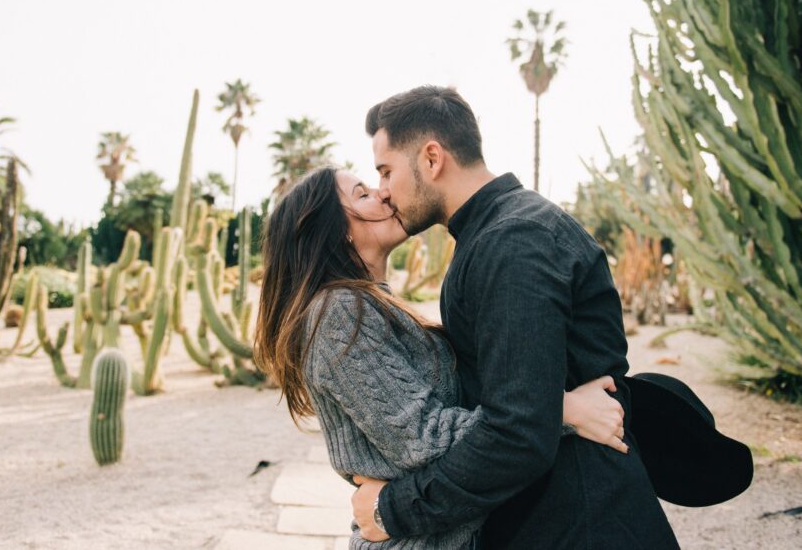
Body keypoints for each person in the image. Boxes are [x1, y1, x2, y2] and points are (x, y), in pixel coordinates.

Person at [349, 85, 678, 549]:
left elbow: (518, 432)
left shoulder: (512, 241)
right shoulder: (496, 233)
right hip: (555, 513)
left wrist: (395, 509)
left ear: (431, 158)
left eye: (385, 171)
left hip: (580, 523)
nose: (383, 191)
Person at [254, 165, 629, 550]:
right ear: (338, 231)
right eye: (362, 193)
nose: (383, 193)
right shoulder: (339, 313)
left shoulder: (369, 306)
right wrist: (562, 410)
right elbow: (423, 439)